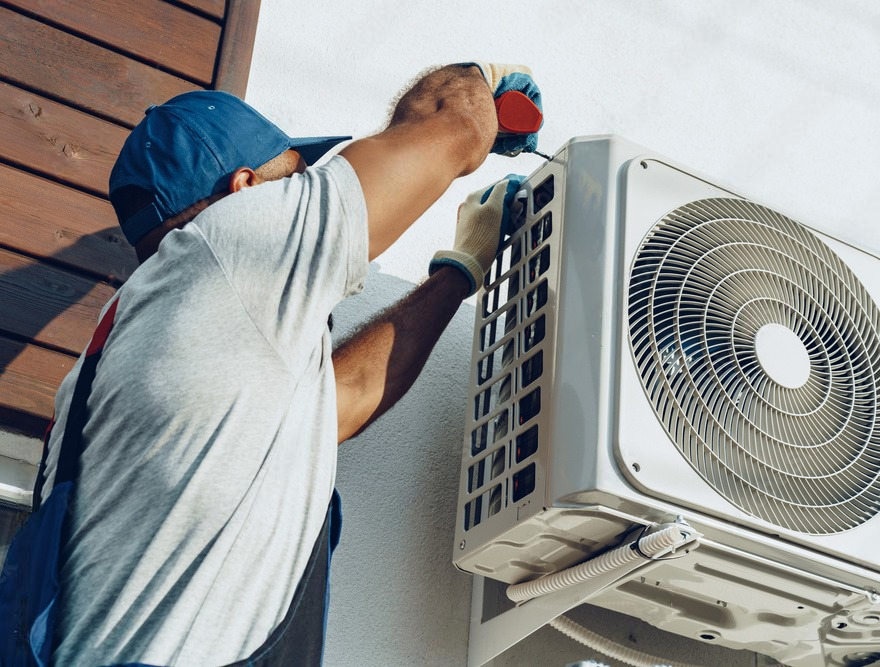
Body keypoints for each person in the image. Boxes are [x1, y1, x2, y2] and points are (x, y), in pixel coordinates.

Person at [32, 62, 541, 666]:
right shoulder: (229, 241)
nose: (308, 184)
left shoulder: (130, 348)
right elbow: (450, 124)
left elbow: (338, 400)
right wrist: (486, 78)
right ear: (246, 191)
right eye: (296, 174)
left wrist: (460, 270)